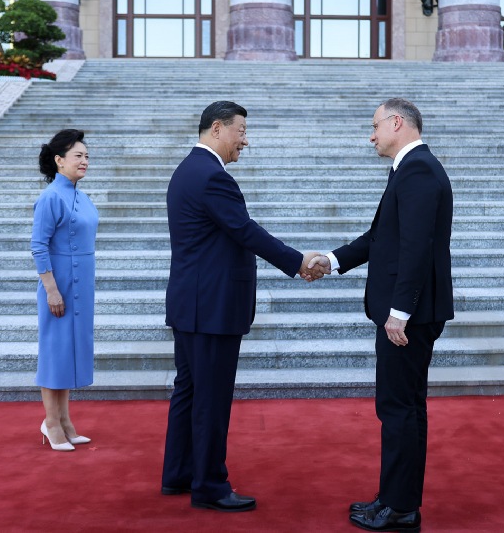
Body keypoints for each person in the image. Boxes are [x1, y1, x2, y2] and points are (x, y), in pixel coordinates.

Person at [161, 101, 323, 512]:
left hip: (192, 304)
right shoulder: (213, 177)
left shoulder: (187, 170)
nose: (245, 141)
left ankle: (180, 473)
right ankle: (210, 486)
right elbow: (245, 231)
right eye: (242, 132)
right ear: (217, 128)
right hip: (212, 308)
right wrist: (296, 260)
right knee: (210, 399)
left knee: (190, 392)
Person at [309, 98, 453, 532]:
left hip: (408, 315)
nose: (371, 136)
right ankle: (395, 498)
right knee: (402, 407)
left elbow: (416, 247)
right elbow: (381, 237)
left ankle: (400, 508)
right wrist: (331, 261)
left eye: (374, 126)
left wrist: (399, 312)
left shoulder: (420, 170)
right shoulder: (408, 169)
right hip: (407, 310)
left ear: (397, 122)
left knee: (398, 408)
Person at [31, 129, 98, 452]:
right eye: (78, 156)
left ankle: (66, 420)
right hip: (59, 284)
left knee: (71, 351)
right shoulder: (51, 197)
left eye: (86, 156)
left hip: (81, 284)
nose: (84, 161)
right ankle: (51, 421)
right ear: (59, 161)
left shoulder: (80, 195)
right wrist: (51, 290)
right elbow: (38, 245)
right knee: (56, 351)